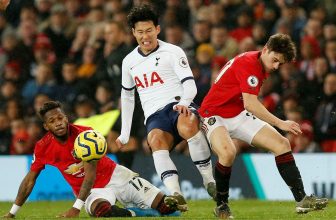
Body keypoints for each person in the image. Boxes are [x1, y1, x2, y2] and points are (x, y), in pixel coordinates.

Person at [199, 33, 328, 219]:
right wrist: (280, 122)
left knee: (282, 144)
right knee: (228, 153)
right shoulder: (249, 63)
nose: (276, 66)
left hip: (237, 112)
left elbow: (246, 103)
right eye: (275, 60)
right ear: (265, 49)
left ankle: (302, 200)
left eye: (280, 64)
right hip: (213, 113)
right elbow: (250, 104)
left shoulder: (260, 62)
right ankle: (222, 206)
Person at [3, 101, 181, 218]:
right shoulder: (43, 147)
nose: (57, 123)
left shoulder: (85, 135)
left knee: (167, 208)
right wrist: (12, 213)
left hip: (115, 176)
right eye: (52, 121)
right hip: (93, 191)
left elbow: (90, 173)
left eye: (60, 118)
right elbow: (29, 181)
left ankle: (156, 205)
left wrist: (75, 208)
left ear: (66, 118)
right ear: (46, 126)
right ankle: (137, 213)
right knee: (103, 211)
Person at [116, 4, 215, 212]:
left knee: (188, 125)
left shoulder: (173, 51)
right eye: (140, 32)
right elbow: (127, 97)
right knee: (154, 140)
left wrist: (185, 103)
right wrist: (125, 133)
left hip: (178, 105)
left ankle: (209, 181)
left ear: (158, 29)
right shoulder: (129, 62)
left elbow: (190, 85)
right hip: (154, 115)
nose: (145, 36)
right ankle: (176, 194)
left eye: (149, 30)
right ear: (133, 32)